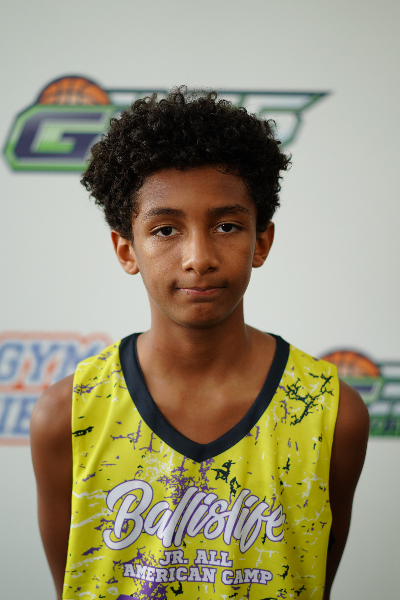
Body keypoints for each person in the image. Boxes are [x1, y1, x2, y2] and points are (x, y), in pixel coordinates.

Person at [30, 89, 369, 600]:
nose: (198, 257)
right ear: (126, 249)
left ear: (261, 242)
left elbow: (312, 582)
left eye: (226, 226)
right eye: (166, 229)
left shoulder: (330, 412)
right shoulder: (66, 415)